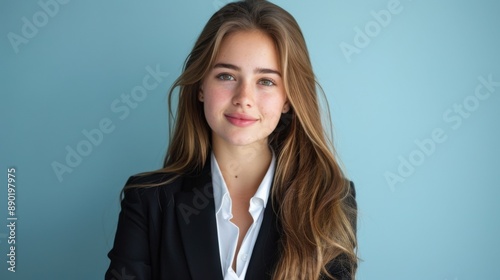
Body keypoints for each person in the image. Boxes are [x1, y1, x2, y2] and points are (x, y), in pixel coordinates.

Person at [105, 0, 358, 279]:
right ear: (201, 86)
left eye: (266, 81)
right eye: (226, 76)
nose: (243, 99)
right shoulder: (148, 199)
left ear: (288, 99)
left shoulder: (329, 201)